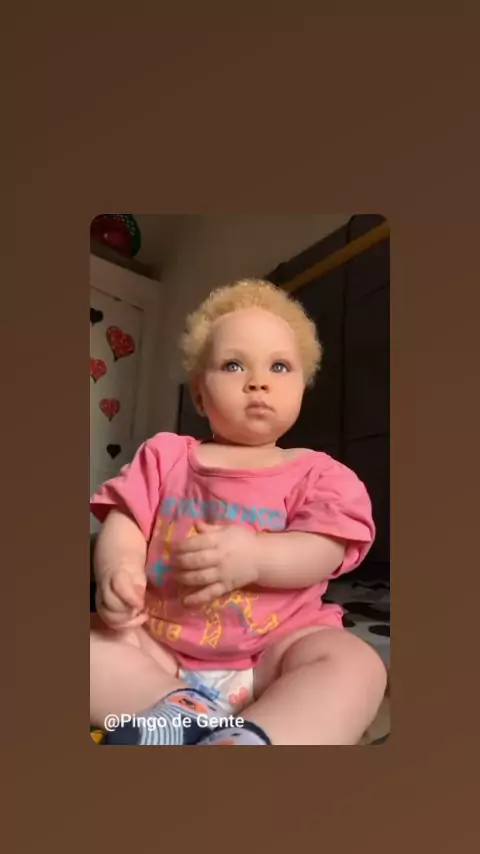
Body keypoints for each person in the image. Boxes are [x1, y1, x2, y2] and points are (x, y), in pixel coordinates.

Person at [90, 278, 387, 746]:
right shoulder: (165, 455)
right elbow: (125, 519)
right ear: (199, 394)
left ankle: (258, 738)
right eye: (233, 365)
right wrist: (117, 569)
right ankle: (178, 713)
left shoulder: (318, 473)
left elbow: (327, 549)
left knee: (355, 665)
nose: (258, 381)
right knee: (90, 643)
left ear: (302, 387)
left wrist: (256, 557)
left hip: (277, 652)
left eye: (280, 366)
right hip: (161, 648)